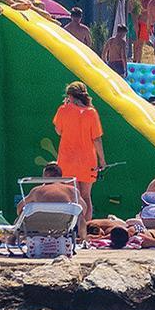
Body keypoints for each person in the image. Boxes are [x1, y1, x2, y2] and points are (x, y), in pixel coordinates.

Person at [52, 81, 106, 213]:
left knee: (72, 195)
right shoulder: (92, 113)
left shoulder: (63, 110)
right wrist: (102, 160)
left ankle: (74, 223)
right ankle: (86, 223)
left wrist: (66, 107)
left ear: (70, 96)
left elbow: (58, 131)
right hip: (87, 160)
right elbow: (97, 139)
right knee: (86, 196)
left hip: (67, 160)